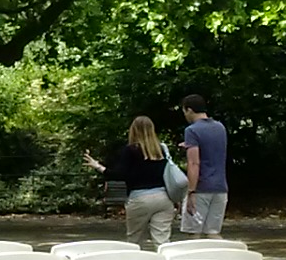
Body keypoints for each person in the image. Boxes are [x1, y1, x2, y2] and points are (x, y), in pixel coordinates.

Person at [87, 116, 175, 248]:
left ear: (133, 130)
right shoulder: (161, 150)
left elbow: (119, 174)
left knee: (134, 240)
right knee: (162, 240)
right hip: (163, 198)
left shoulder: (130, 150)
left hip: (140, 198)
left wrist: (98, 166)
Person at [178, 93, 230, 237]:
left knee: (194, 234)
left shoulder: (192, 131)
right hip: (220, 187)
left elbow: (194, 163)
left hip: (201, 188)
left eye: (184, 111)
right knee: (213, 232)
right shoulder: (220, 127)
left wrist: (191, 192)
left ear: (189, 110)